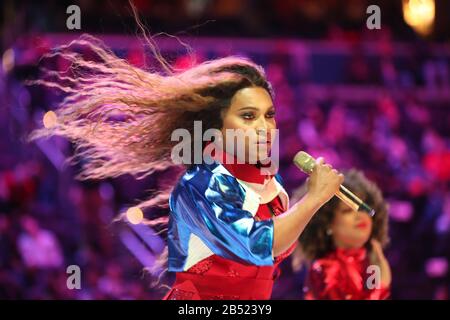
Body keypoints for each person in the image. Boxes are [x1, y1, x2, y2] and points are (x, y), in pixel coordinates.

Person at [29, 28, 344, 299]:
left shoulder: (271, 189)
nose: (264, 127)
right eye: (248, 116)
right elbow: (257, 244)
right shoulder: (200, 186)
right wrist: (312, 200)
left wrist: (313, 205)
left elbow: (276, 250)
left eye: (269, 115)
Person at [294, 169, 391, 300]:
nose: (360, 215)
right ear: (327, 223)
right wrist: (382, 286)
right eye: (347, 211)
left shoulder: (371, 262)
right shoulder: (325, 269)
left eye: (363, 207)